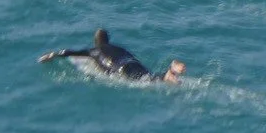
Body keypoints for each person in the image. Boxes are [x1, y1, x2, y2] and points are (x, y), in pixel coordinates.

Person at [38, 28, 186, 84]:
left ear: (96, 42)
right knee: (149, 76)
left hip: (121, 69)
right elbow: (132, 56)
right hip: (131, 62)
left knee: (143, 80)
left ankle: (169, 73)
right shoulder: (118, 47)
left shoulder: (93, 51)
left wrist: (52, 55)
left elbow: (69, 52)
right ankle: (169, 73)